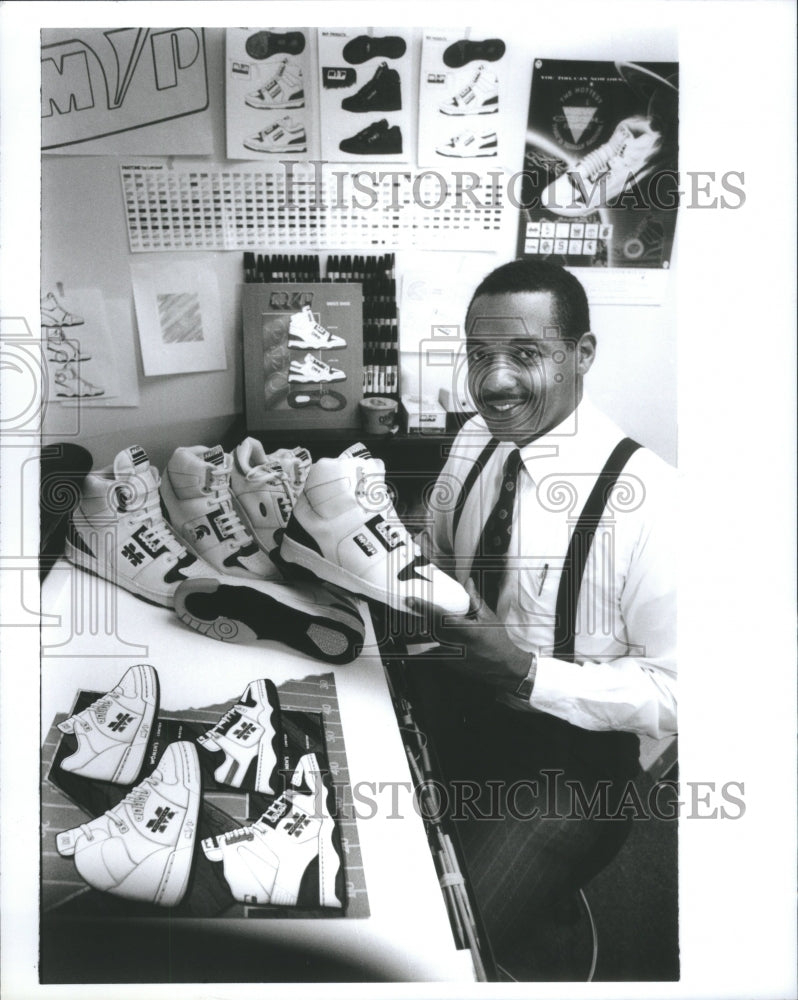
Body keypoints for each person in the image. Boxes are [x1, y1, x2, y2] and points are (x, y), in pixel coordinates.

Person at [405, 258, 676, 979]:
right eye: (479, 355)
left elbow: (675, 692)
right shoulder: (472, 441)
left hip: (570, 767)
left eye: (525, 355)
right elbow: (432, 552)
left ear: (581, 354)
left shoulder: (655, 501)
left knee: (431, 950)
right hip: (453, 708)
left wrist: (528, 674)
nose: (493, 382)